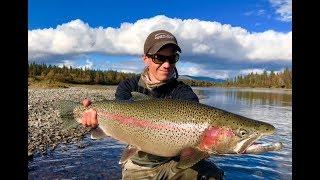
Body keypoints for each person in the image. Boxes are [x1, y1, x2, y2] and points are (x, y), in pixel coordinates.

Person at [81, 30, 224, 180]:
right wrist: (95, 121)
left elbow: (197, 128)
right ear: (146, 59)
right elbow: (115, 121)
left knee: (212, 175)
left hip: (174, 163)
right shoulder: (128, 87)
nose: (167, 65)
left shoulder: (183, 92)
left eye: (172, 58)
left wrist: (203, 149)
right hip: (139, 165)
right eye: (159, 58)